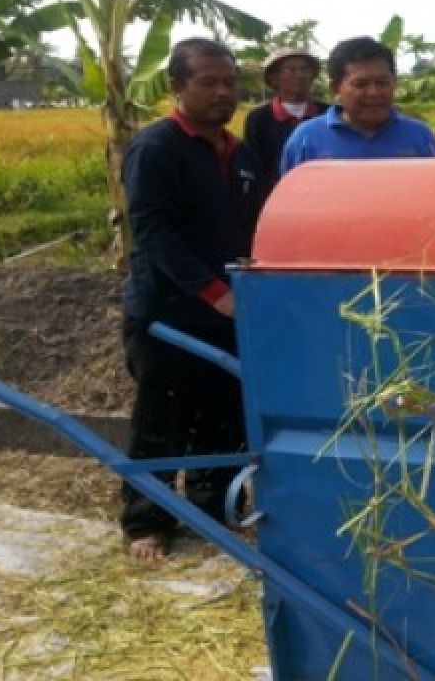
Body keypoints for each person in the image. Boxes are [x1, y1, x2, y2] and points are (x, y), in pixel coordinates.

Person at [121, 38, 264, 561]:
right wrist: (212, 293)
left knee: (224, 418)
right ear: (177, 88)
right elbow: (153, 233)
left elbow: (252, 229)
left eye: (229, 82)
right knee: (163, 423)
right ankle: (146, 524)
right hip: (169, 316)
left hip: (231, 311)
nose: (222, 92)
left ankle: (213, 512)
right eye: (208, 82)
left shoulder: (240, 154)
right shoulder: (156, 149)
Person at [280, 37, 435, 174]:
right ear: (336, 88)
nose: (373, 92)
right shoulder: (307, 139)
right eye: (361, 84)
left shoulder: (420, 137)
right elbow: (289, 200)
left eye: (382, 82)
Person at [243, 48, 327, 190]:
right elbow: (255, 166)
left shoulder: (328, 114)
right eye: (292, 70)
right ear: (274, 78)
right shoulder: (259, 119)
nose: (300, 75)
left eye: (305, 69)